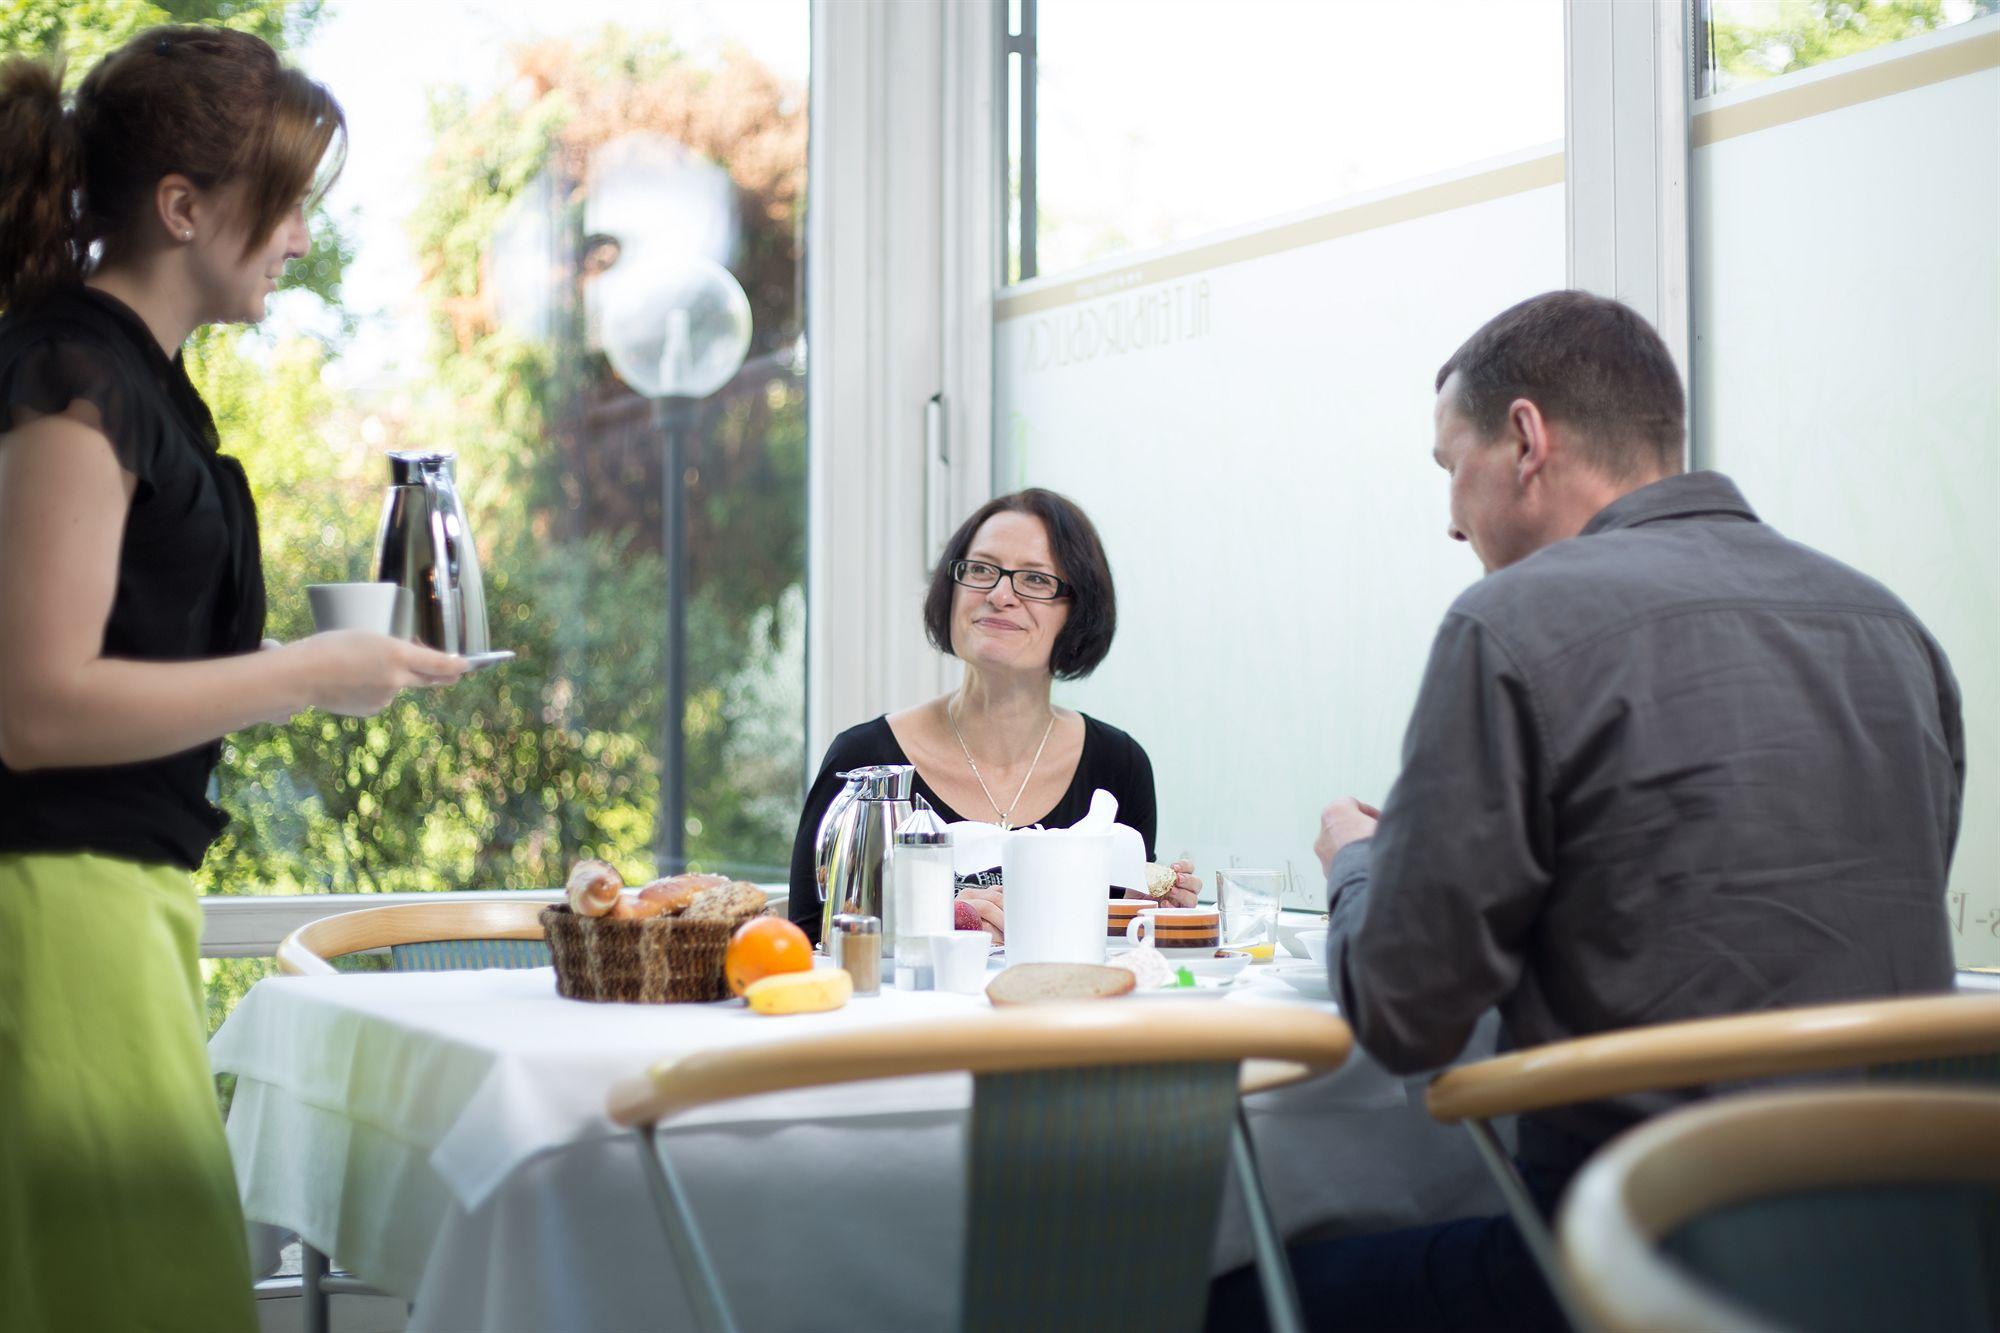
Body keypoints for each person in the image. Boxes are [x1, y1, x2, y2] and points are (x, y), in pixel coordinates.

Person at [1209, 291, 1961, 1333]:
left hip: (1630, 1256)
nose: (1447, 518)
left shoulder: (1510, 621)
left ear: (1524, 439)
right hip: (1907, 1260)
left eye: (1447, 467)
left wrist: (1358, 860)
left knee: (1211, 1297)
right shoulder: (1888, 627)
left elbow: (1404, 1011)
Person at [0, 29, 467, 1333]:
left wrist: (316, 673)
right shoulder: (73, 379)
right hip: (55, 914)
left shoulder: (134, 383)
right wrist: (298, 675)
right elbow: (35, 709)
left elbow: (117, 663)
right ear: (184, 207)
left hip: (117, 907)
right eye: (288, 200)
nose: (304, 237)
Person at [788, 488, 1197, 944]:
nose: (1000, 595)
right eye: (981, 570)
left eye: (1036, 580)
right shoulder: (864, 756)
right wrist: (945, 920)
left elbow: (1123, 940)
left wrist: (1166, 913)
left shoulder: (1119, 764)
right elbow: (806, 942)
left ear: (1079, 612)